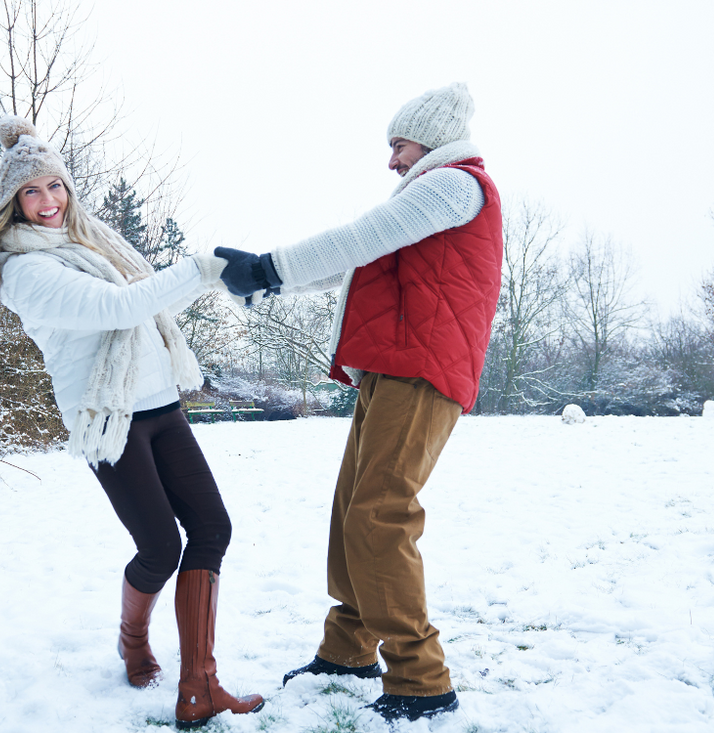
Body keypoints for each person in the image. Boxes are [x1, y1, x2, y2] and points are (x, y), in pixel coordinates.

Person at [0, 117, 264, 729]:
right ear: (12, 205)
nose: (49, 202)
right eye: (32, 192)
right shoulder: (23, 273)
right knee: (159, 548)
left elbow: (151, 298)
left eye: (56, 186)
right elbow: (119, 307)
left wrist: (213, 285)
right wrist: (202, 267)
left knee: (212, 528)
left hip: (162, 407)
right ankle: (132, 639)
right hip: (109, 422)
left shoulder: (96, 242)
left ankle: (199, 685)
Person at [214, 83, 503, 722]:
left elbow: (358, 236)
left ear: (431, 139)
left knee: (379, 514)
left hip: (423, 373)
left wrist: (269, 267)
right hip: (391, 371)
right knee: (354, 508)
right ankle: (348, 648)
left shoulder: (458, 185)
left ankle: (421, 677)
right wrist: (270, 282)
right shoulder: (432, 194)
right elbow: (353, 263)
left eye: (398, 145)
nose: (392, 161)